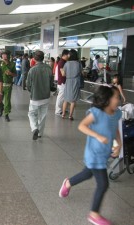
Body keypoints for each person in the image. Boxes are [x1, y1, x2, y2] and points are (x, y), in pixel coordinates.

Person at [59, 85, 122, 225]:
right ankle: (94, 214)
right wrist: (98, 136)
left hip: (104, 153)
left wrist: (119, 144)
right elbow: (82, 126)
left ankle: (68, 183)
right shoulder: (96, 113)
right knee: (103, 184)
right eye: (116, 97)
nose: (119, 99)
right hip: (94, 153)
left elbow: (115, 129)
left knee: (87, 173)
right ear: (107, 99)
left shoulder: (116, 113)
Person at [27, 50, 53, 140]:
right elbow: (51, 83)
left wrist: (32, 91)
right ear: (43, 58)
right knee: (43, 115)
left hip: (35, 96)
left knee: (31, 114)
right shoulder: (49, 68)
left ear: (34, 58)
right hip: (45, 96)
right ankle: (40, 133)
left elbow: (28, 85)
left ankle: (34, 128)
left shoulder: (32, 69)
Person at [61, 49, 82, 120]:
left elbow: (63, 74)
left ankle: (63, 114)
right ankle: (70, 115)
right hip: (76, 81)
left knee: (66, 99)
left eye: (69, 54)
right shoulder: (78, 64)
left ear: (71, 55)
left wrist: (64, 72)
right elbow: (80, 73)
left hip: (68, 81)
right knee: (73, 101)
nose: (68, 55)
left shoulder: (67, 63)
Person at [0, 50, 16, 122]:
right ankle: (1, 108)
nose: (4, 56)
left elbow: (15, 74)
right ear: (1, 56)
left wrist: (11, 73)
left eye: (6, 55)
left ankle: (6, 114)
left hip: (8, 85)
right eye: (3, 55)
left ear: (8, 56)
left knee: (7, 101)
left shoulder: (12, 64)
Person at [55, 50, 69, 116]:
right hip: (62, 82)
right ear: (65, 55)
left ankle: (62, 108)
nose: (69, 56)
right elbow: (63, 73)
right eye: (68, 55)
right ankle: (58, 111)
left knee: (63, 97)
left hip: (64, 81)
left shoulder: (64, 62)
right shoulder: (61, 62)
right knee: (60, 97)